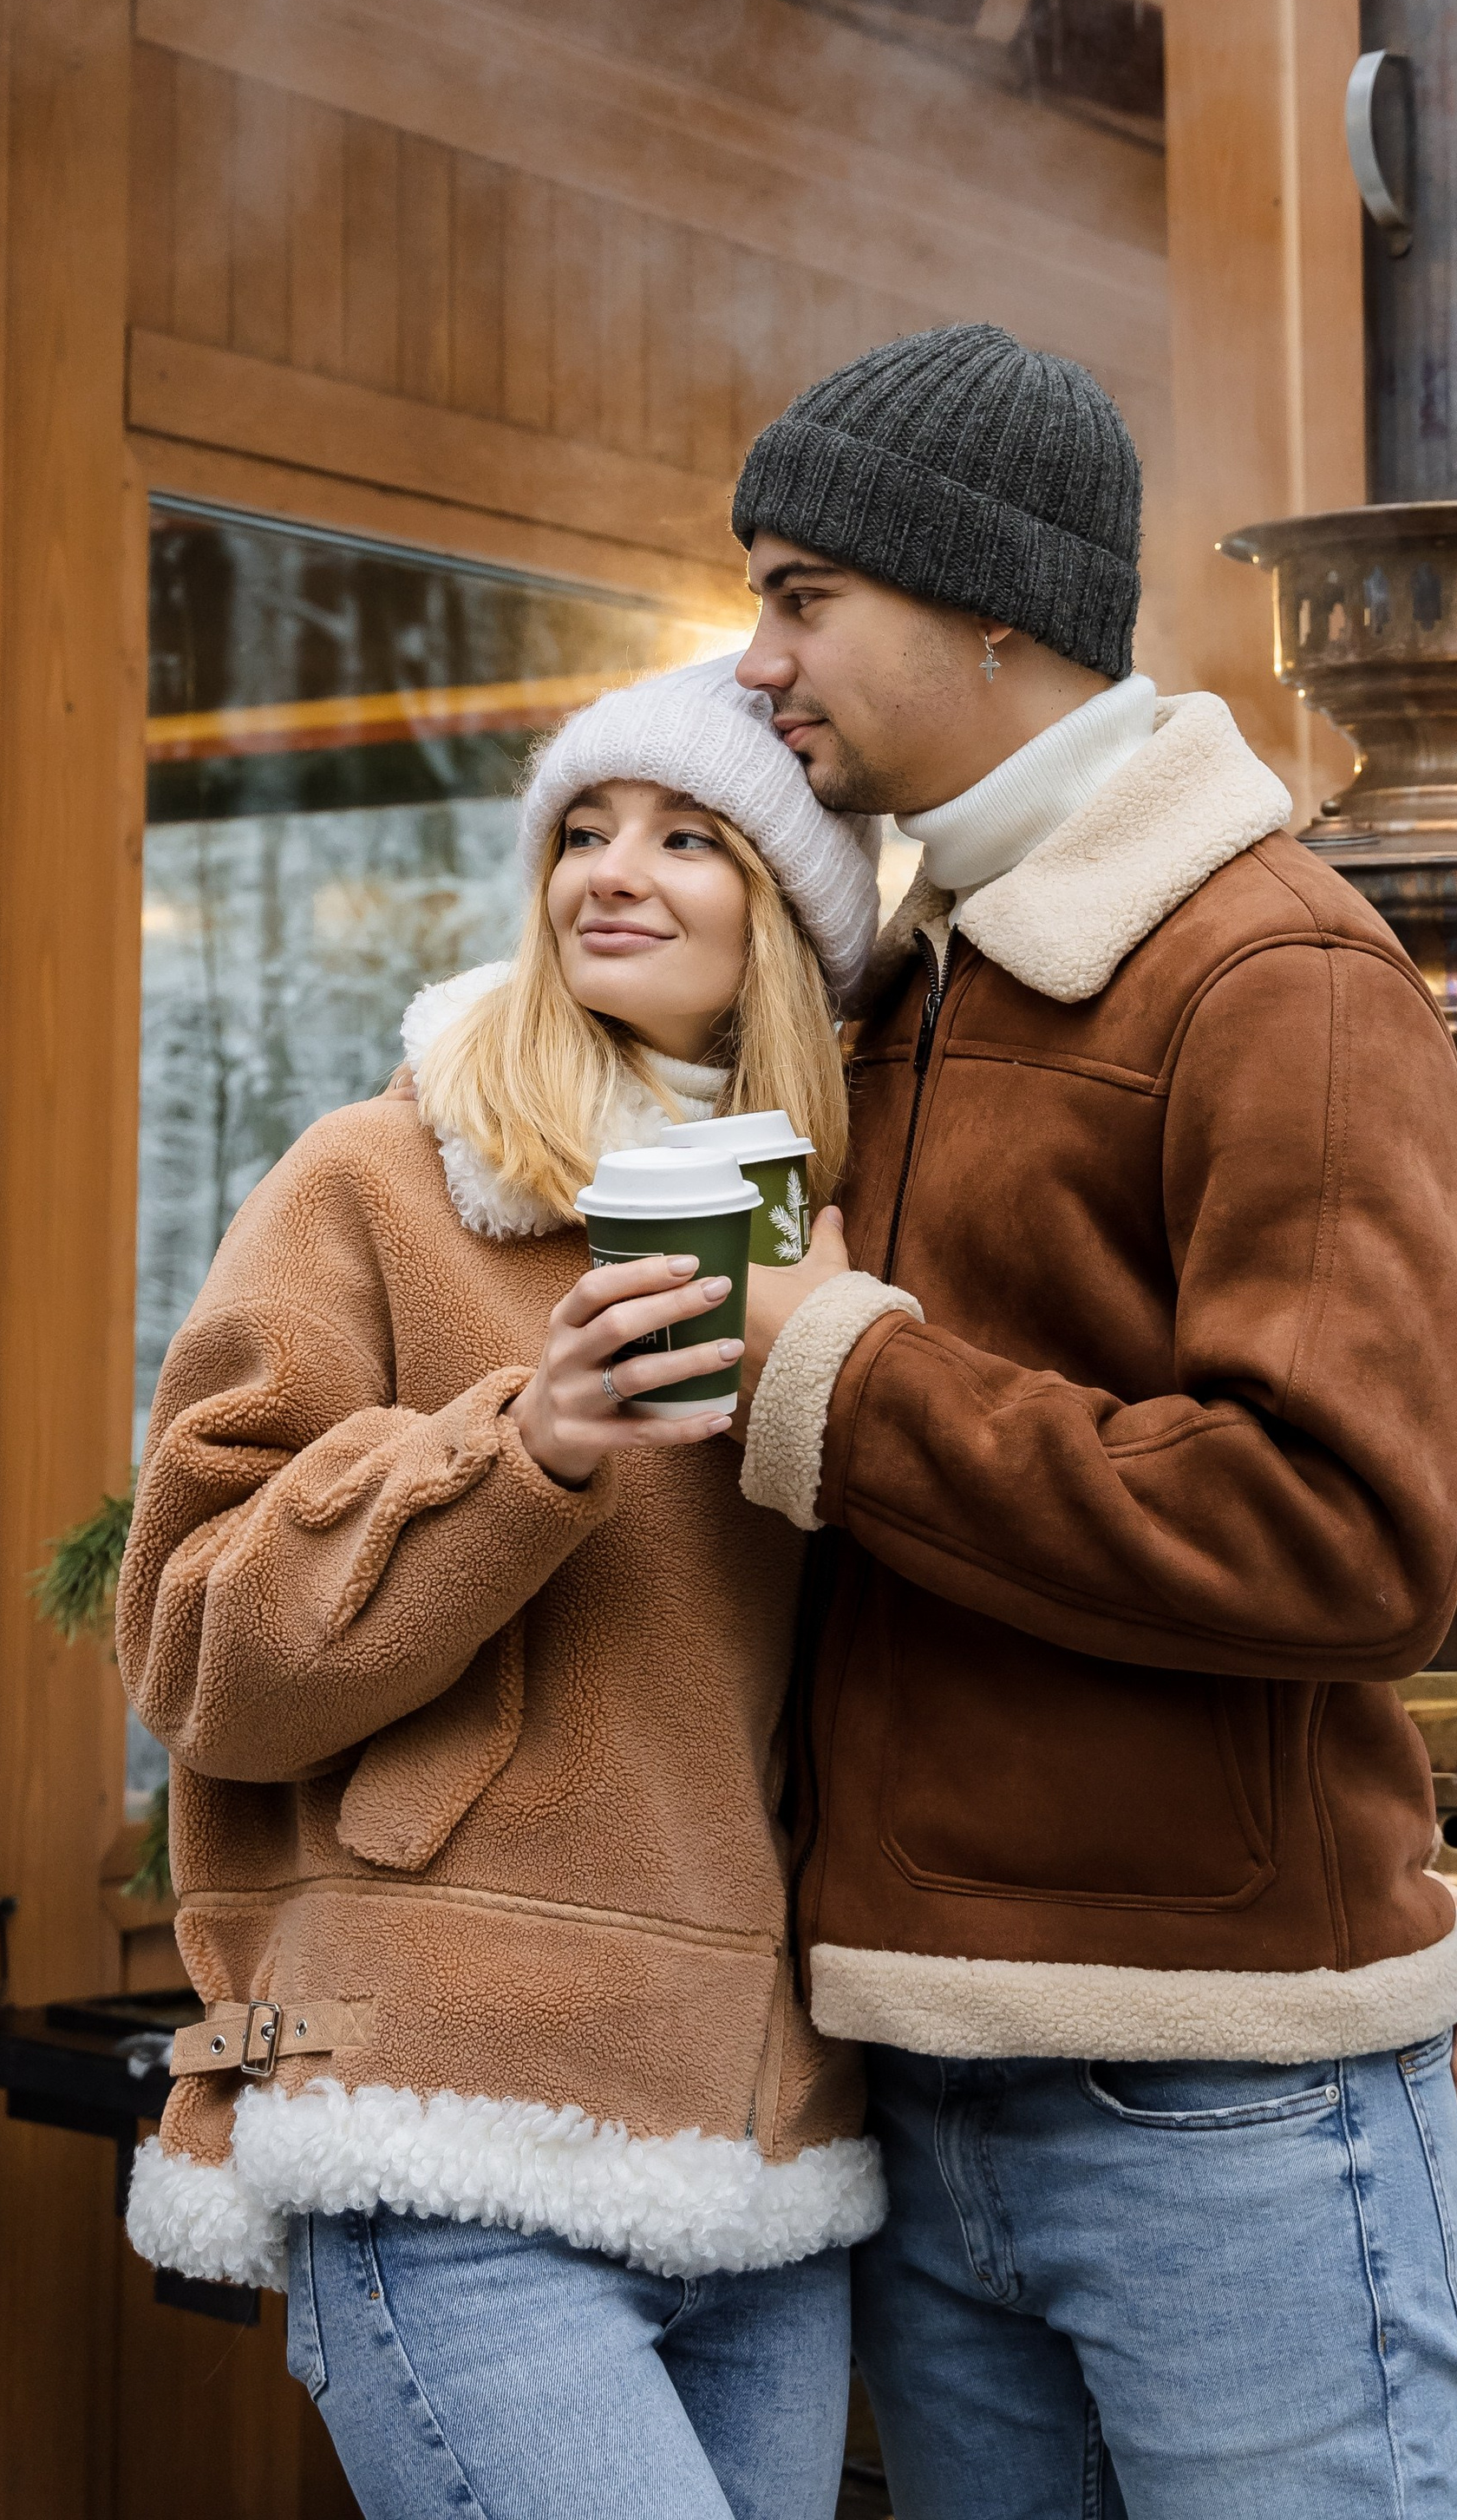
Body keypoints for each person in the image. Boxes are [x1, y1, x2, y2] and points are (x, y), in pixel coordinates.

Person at [723, 324, 1457, 2520]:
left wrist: (838, 1378)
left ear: (995, 612)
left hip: (1218, 2101)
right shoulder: (899, 991)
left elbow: (1335, 1528)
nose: (756, 656)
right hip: (913, 2067)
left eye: (800, 594)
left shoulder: (1276, 981)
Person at [114, 655, 887, 2520]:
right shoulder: (382, 1180)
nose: (607, 872)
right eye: (580, 831)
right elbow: (192, 1642)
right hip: (442, 2111)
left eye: (687, 837)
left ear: (786, 918)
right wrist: (518, 1448)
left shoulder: (856, 1241)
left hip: (768, 2143)